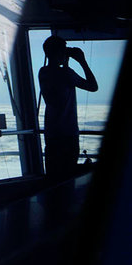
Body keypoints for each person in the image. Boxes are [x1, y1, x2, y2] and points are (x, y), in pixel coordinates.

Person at [38, 35, 98, 176]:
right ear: (58, 53)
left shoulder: (43, 72)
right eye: (63, 51)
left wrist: (65, 62)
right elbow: (93, 86)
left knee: (54, 176)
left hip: (52, 134)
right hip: (67, 135)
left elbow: (58, 80)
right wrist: (82, 62)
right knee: (68, 176)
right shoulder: (67, 74)